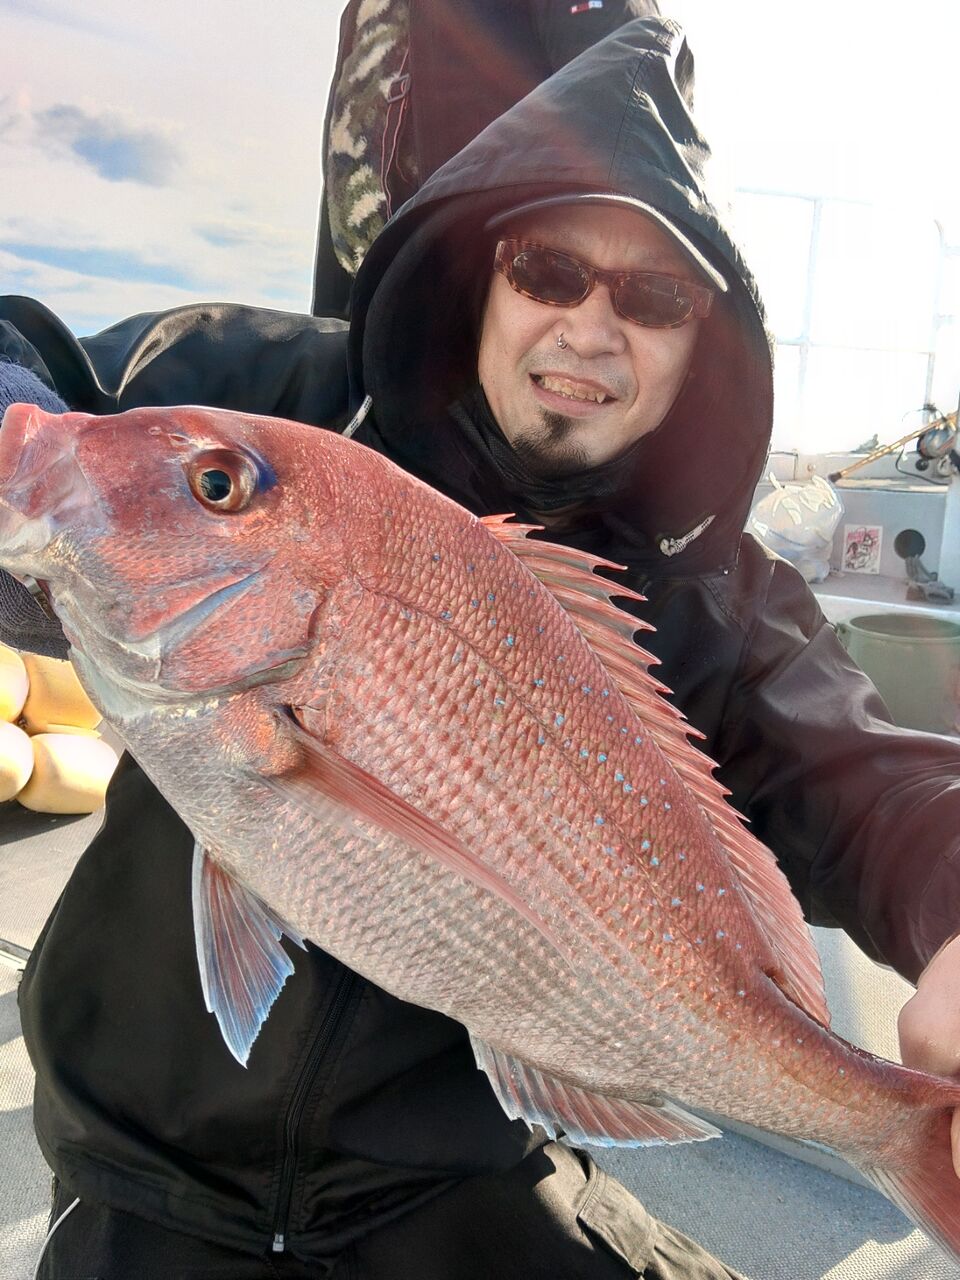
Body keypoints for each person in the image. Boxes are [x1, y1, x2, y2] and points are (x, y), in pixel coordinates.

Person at [2, 18, 960, 1279]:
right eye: (550, 270)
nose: (590, 329)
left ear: (707, 338)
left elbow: (878, 789)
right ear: (486, 277)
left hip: (455, 1180)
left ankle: (900, 1131)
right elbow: (39, 375)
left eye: (655, 297)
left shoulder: (728, 600)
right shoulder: (284, 400)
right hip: (141, 1169)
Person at [314, 0, 661, 317]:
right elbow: (344, 175)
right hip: (376, 316)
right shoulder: (361, 10)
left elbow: (626, 121)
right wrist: (330, 320)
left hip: (509, 305)